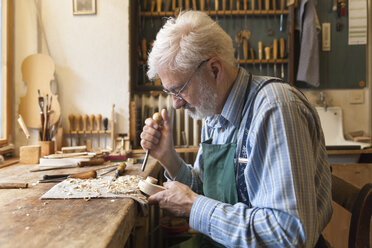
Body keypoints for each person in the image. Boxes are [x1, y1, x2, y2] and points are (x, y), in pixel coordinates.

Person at [140, 10, 332, 247]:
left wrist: (193, 206)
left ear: (215, 70)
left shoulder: (275, 111)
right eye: (170, 93)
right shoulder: (214, 112)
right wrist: (167, 157)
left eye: (179, 90)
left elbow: (290, 234)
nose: (176, 104)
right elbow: (209, 192)